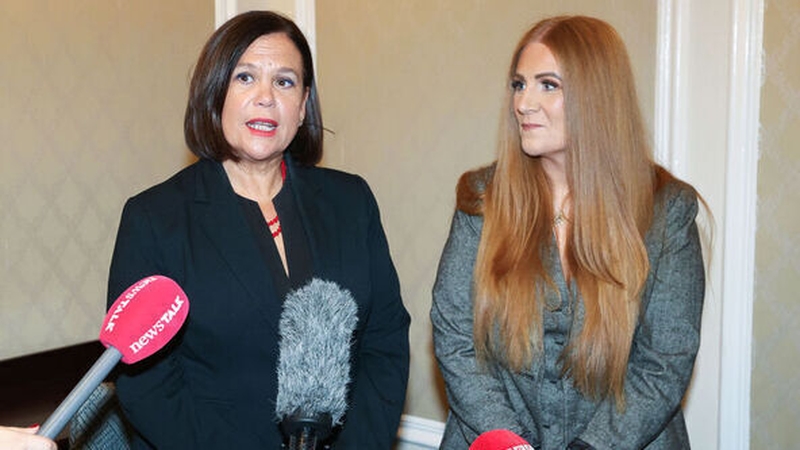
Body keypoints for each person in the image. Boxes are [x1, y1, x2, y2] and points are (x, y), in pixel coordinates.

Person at [107, 11, 410, 449]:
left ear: (303, 104)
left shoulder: (352, 201)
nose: (266, 97)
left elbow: (384, 343)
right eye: (245, 78)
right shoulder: (154, 218)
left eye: (285, 82)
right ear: (215, 94)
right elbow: (148, 387)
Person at [431, 15, 705, 450]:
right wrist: (511, 443)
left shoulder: (666, 211)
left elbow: (663, 363)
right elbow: (455, 337)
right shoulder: (481, 199)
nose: (523, 103)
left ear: (596, 97)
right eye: (519, 85)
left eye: (548, 85)